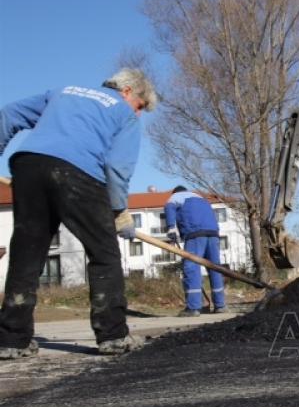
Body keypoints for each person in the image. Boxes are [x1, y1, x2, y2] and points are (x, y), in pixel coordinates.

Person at [0, 68, 157, 359]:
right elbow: (117, 166)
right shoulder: (123, 113)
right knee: (104, 253)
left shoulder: (62, 92)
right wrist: (118, 209)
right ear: (127, 92)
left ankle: (12, 340)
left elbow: (9, 114)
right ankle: (113, 335)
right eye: (140, 106)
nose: (138, 114)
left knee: (27, 255)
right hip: (78, 173)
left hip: (28, 166)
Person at [164, 186, 227, 316]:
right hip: (213, 233)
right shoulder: (200, 198)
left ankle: (193, 308)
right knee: (215, 268)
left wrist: (171, 228)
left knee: (191, 267)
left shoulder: (175, 197)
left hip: (195, 234)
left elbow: (169, 208)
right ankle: (220, 305)